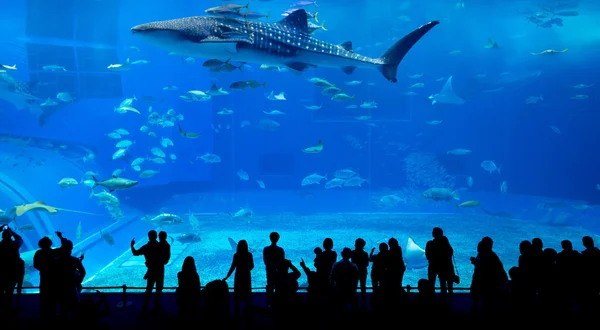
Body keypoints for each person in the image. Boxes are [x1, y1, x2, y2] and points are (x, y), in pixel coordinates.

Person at [131, 230, 162, 312]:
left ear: (149, 237)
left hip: (151, 270)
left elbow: (135, 253)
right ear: (156, 236)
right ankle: (157, 305)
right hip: (159, 270)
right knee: (159, 289)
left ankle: (145, 307)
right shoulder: (160, 246)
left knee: (149, 289)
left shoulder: (146, 247)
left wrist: (132, 246)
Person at [224, 239, 254, 320]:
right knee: (247, 295)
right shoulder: (249, 255)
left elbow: (232, 267)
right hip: (246, 276)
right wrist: (246, 269)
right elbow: (252, 266)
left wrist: (227, 276)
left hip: (238, 276)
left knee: (237, 296)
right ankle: (249, 315)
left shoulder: (236, 255)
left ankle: (236, 315)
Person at [425, 227, 455, 305]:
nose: (432, 233)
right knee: (444, 285)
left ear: (435, 233)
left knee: (431, 284)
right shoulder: (446, 243)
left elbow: (427, 256)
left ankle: (431, 300)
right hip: (444, 267)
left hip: (433, 267)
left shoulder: (430, 243)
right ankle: (445, 302)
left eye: (433, 232)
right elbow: (451, 253)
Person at [0, 224, 24, 310]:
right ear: (10, 236)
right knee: (10, 291)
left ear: (2, 236)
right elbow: (20, 239)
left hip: (1, 272)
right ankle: (8, 309)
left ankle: (2, 309)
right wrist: (11, 231)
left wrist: (0, 229)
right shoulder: (15, 244)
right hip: (13, 272)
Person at [263, 232, 284, 308]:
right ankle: (278, 305)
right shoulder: (280, 250)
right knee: (279, 289)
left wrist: (270, 266)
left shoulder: (266, 249)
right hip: (279, 272)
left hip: (269, 271)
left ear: (270, 238)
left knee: (270, 288)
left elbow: (265, 261)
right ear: (278, 239)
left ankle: (269, 305)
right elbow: (282, 261)